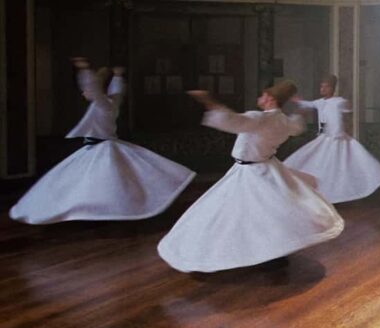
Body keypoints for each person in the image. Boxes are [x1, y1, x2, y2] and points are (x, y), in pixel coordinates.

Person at [157, 81, 344, 273]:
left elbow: (231, 120)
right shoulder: (284, 121)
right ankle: (271, 253)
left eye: (262, 96)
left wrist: (209, 101)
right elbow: (296, 126)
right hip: (267, 168)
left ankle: (254, 253)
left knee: (243, 214)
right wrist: (300, 113)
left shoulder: (260, 118)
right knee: (268, 213)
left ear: (270, 99)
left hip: (252, 171)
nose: (259, 99)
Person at [10, 57, 195, 224]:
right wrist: (117, 76)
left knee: (104, 182)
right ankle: (98, 211)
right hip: (101, 146)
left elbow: (94, 87)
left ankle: (100, 211)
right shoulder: (110, 103)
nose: (84, 93)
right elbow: (116, 91)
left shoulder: (102, 104)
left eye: (86, 90)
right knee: (102, 182)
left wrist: (85, 69)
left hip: (102, 147)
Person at [283, 75, 380, 203]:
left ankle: (346, 190)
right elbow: (309, 104)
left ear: (333, 88)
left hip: (338, 138)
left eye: (327, 86)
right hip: (325, 137)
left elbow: (347, 114)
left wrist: (342, 131)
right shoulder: (320, 102)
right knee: (314, 160)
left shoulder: (339, 102)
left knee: (343, 163)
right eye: (322, 86)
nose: (323, 89)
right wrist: (297, 100)